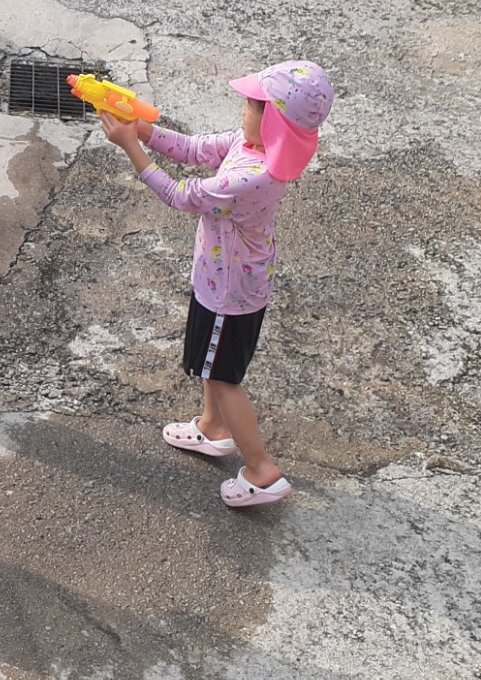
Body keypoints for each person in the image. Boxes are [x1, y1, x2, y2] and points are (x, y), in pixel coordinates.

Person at [97, 61, 335, 507]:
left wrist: (130, 146)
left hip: (230, 292)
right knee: (212, 365)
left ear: (274, 121)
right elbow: (194, 148)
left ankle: (262, 471)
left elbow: (180, 195)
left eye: (251, 105)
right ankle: (212, 427)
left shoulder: (253, 177)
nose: (242, 110)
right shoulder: (253, 145)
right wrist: (141, 127)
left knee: (224, 378)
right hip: (225, 279)